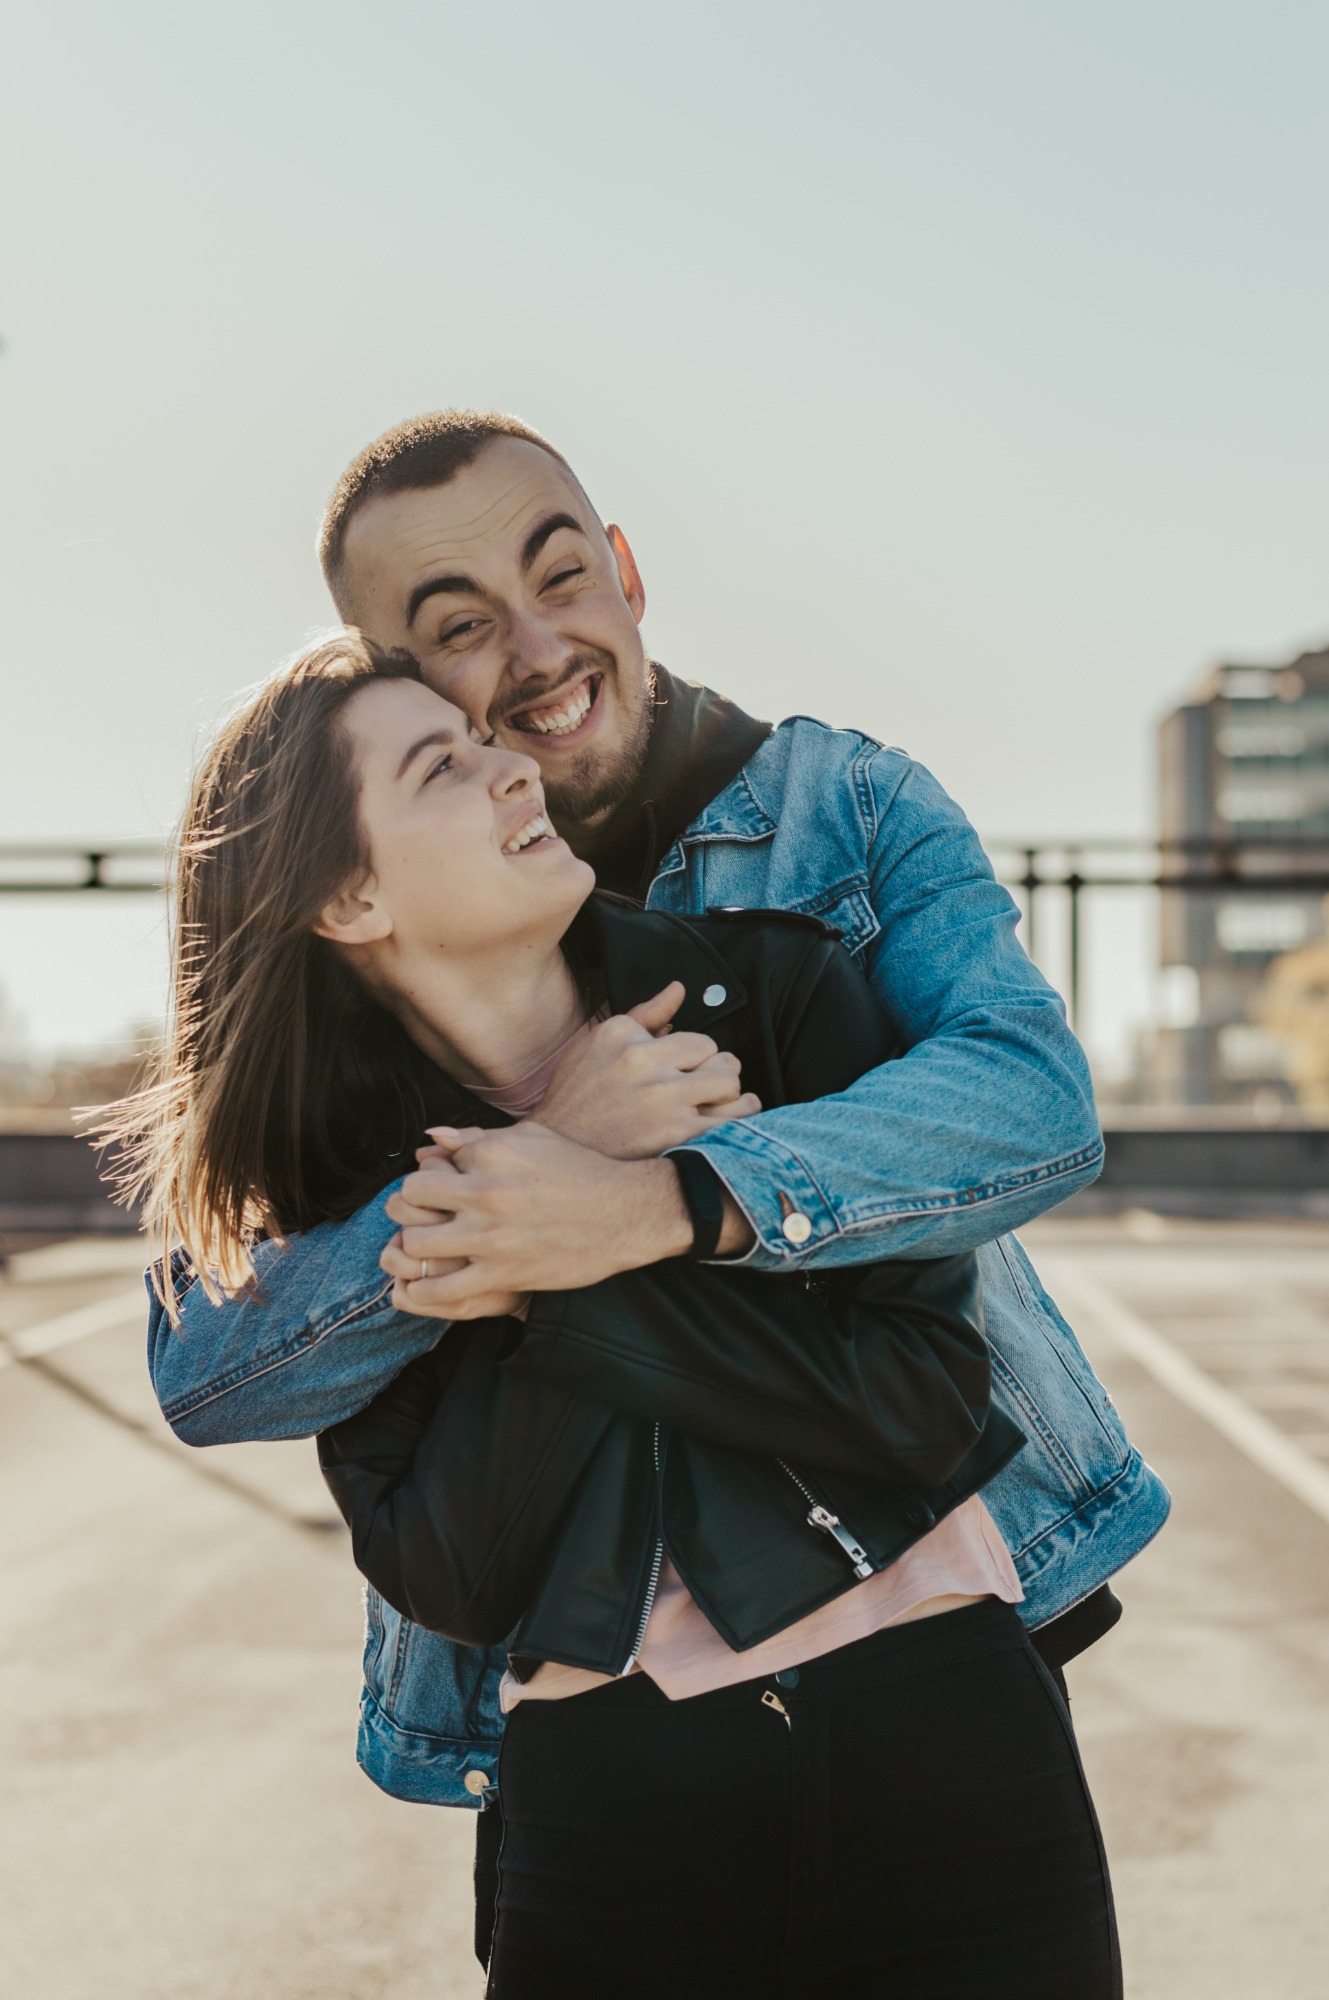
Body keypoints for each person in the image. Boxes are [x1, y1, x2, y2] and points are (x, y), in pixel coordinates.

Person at [147, 410, 1167, 1803]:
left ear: (624, 569)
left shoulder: (844, 809)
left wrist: (663, 1199)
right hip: (580, 1733)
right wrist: (539, 1161)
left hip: (939, 1626)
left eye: (561, 576)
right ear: (396, 677)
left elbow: (1029, 1104)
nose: (539, 651)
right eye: (459, 626)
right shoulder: (359, 985)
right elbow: (210, 1356)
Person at [126, 634, 1121, 1996]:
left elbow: (917, 1405)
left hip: (942, 1735)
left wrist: (592, 1229)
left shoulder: (766, 994)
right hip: (610, 1810)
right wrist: (540, 1192)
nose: (509, 770)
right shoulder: (352, 1197)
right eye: (442, 764)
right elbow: (459, 1572)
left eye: (488, 739)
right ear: (350, 893)